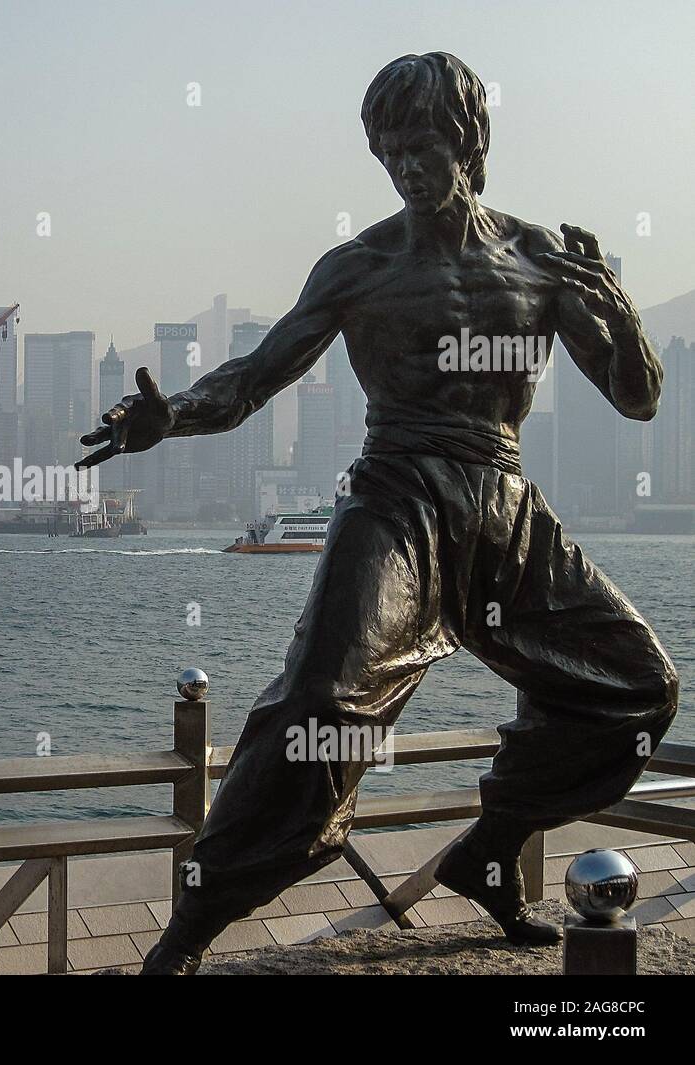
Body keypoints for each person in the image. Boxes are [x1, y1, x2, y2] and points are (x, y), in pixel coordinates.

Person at [78, 52, 679, 975]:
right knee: (321, 707)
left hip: (502, 504)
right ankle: (188, 932)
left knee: (638, 686)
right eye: (390, 150)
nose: (407, 166)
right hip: (396, 499)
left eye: (424, 145)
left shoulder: (540, 261)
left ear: (470, 143)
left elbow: (638, 399)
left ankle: (488, 850)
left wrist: (616, 304)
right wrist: (173, 416)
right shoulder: (357, 267)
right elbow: (251, 380)